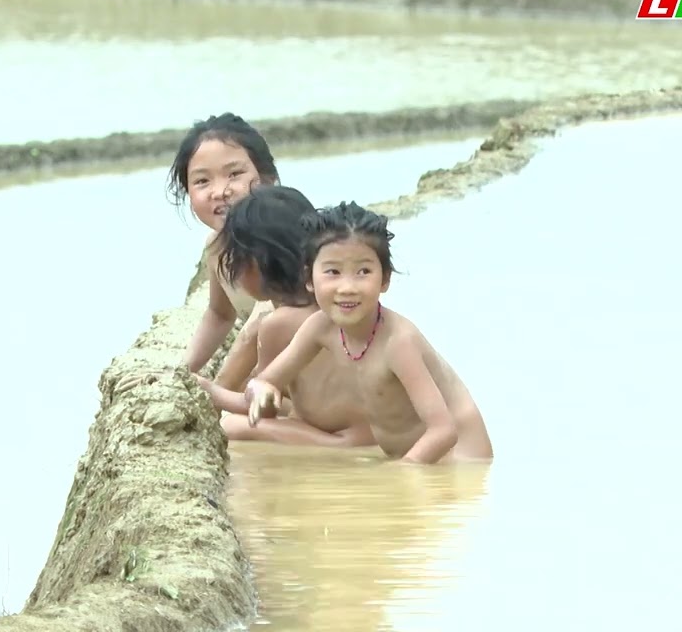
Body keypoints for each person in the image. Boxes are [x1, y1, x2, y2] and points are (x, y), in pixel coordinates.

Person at [244, 202, 494, 464]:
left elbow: (443, 430)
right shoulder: (320, 327)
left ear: (385, 279)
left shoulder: (398, 342)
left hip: (460, 462)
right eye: (333, 272)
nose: (347, 287)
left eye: (363, 272)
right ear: (309, 278)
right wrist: (262, 388)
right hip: (413, 459)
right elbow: (267, 380)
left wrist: (399, 473)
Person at [195, 186, 374, 447]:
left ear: (254, 264)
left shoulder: (278, 324)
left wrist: (209, 391)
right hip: (373, 434)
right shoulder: (336, 309)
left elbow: (263, 409)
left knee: (229, 426)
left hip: (341, 442)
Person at [169, 113, 278, 389]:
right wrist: (180, 373)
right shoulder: (216, 245)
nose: (220, 191)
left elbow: (257, 326)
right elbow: (220, 314)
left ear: (267, 178)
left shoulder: (282, 238)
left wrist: (215, 391)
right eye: (202, 181)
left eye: (234, 174)